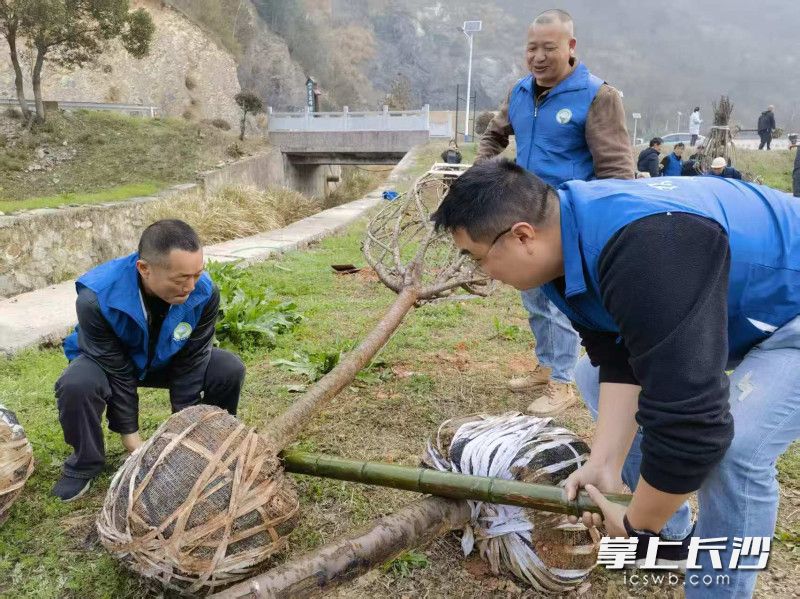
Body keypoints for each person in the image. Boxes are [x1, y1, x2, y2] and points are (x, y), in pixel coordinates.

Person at [433, 158, 800, 598]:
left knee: (736, 449)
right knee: (590, 374)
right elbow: (616, 351)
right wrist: (603, 463)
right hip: (743, 305)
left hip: (789, 313)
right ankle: (669, 539)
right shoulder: (563, 242)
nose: (483, 274)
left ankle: (715, 585)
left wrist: (637, 524)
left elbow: (695, 426)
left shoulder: (649, 248)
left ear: (522, 235)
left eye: (479, 258)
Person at [476, 8, 634, 416]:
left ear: (570, 47)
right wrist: (482, 171)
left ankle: (564, 383)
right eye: (532, 48)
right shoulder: (520, 91)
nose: (539, 56)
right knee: (533, 296)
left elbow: (616, 171)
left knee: (562, 303)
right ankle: (547, 365)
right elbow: (494, 134)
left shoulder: (598, 95)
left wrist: (600, 224)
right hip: (521, 217)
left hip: (569, 222)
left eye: (549, 47)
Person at [53, 219, 245, 501]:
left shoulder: (204, 292)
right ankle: (84, 464)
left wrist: (184, 432)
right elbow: (116, 371)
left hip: (166, 358)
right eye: (181, 278)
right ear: (144, 268)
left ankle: (210, 442)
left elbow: (192, 361)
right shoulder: (96, 298)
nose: (191, 286)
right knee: (77, 383)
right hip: (111, 362)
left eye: (197, 274)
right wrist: (134, 443)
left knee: (228, 368)